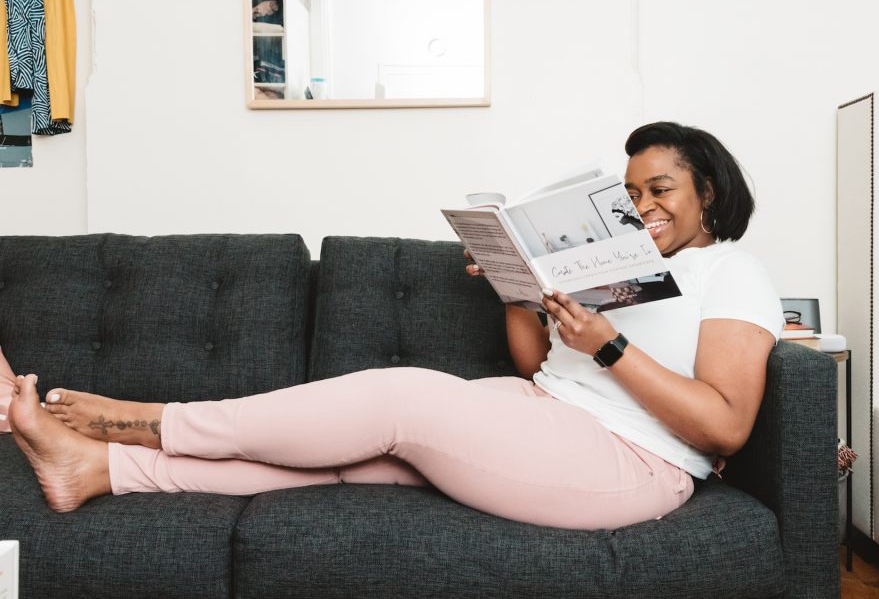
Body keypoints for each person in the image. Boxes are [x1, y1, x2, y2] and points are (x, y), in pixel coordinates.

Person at [7, 122, 783, 530]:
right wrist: (521, 291)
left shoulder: (731, 273)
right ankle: (101, 471)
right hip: (547, 417)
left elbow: (725, 426)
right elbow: (533, 368)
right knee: (351, 462)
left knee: (401, 401)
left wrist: (608, 346)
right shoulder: (617, 265)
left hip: (635, 464)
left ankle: (148, 421)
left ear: (708, 192)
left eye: (660, 188)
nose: (642, 205)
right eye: (629, 192)